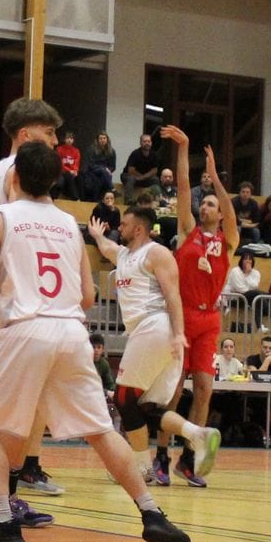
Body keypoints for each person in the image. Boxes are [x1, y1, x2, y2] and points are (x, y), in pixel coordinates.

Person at [0, 142, 191, 542]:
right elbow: (88, 296)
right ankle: (152, 513)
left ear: (14, 178)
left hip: (26, 329)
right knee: (101, 431)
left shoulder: (1, 218)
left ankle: (1, 520)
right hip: (71, 332)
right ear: (55, 180)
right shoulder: (69, 224)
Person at [0, 97, 68, 507]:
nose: (55, 141)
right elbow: (18, 232)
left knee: (7, 400)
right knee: (22, 402)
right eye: (49, 133)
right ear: (25, 134)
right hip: (8, 294)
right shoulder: (18, 174)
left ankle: (2, 499)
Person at [89, 205, 220, 488]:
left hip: (155, 326)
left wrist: (179, 333)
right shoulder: (123, 255)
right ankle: (197, 434)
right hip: (152, 334)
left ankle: (143, 468)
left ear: (139, 229)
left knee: (123, 398)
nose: (119, 228)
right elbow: (107, 247)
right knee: (145, 407)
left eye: (124, 225)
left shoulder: (157, 253)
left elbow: (173, 295)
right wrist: (97, 235)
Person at [158, 124, 238, 484]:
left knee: (204, 389)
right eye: (203, 203)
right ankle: (161, 456)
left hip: (209, 321)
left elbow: (231, 211)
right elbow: (183, 187)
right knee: (174, 389)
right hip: (182, 317)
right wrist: (184, 148)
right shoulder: (187, 230)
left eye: (211, 204)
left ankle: (188, 459)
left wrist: (216, 178)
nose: (205, 206)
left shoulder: (229, 241)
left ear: (219, 214)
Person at [79, 133, 117, 200]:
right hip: (93, 170)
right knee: (104, 172)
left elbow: (113, 166)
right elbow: (90, 164)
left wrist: (108, 170)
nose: (102, 140)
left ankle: (100, 198)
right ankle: (112, 188)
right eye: (100, 138)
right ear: (97, 140)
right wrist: (104, 169)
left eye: (104, 138)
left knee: (105, 175)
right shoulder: (92, 149)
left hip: (105, 173)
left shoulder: (112, 151)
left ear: (107, 139)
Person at [54, 130, 84, 196]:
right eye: (67, 138)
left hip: (72, 171)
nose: (69, 140)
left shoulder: (76, 150)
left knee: (81, 177)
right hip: (62, 171)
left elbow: (76, 162)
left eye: (71, 138)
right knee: (68, 176)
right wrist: (69, 170)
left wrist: (75, 170)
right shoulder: (59, 149)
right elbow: (59, 163)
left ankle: (82, 198)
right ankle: (74, 197)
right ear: (64, 139)